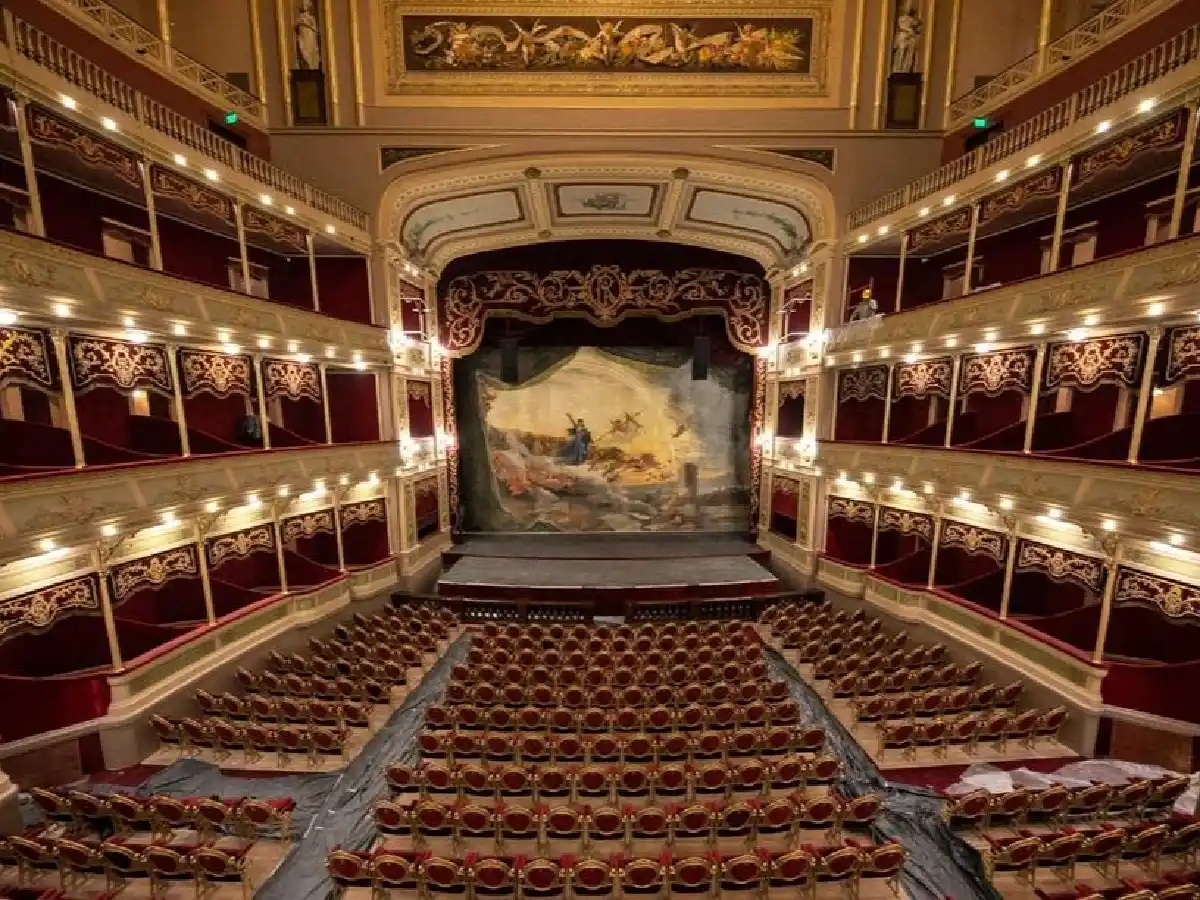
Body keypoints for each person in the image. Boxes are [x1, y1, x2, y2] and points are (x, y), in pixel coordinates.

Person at [891, 3, 922, 74]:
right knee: (902, 53)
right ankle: (899, 68)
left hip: (905, 37)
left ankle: (902, 68)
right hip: (904, 36)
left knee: (905, 54)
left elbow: (917, 24)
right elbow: (917, 23)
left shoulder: (904, 19)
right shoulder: (907, 19)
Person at [295, 0, 322, 70]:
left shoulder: (311, 18)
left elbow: (315, 29)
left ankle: (312, 66)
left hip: (310, 38)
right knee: (304, 53)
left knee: (311, 54)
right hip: (303, 37)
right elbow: (296, 26)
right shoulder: (300, 17)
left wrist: (309, 26)